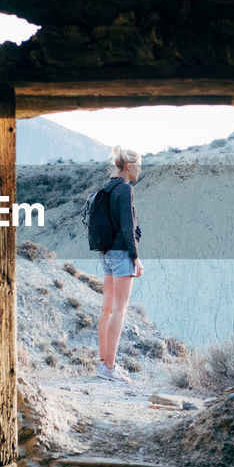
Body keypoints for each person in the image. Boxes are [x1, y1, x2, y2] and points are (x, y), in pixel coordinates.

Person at [95, 145, 143, 382]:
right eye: (138, 164)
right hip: (122, 253)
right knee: (119, 311)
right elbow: (127, 226)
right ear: (129, 165)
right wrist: (135, 257)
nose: (140, 168)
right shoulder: (124, 189)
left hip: (106, 253)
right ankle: (111, 367)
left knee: (106, 309)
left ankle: (103, 363)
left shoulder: (107, 187)